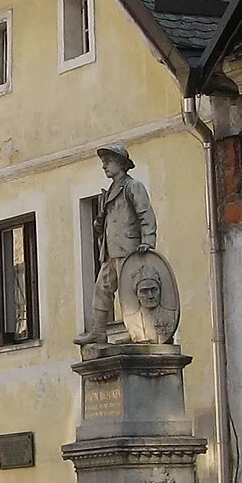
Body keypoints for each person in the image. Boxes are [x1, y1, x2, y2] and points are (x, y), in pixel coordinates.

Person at [76, 144, 158, 344]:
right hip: (111, 251)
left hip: (128, 249)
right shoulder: (110, 191)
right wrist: (98, 224)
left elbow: (145, 214)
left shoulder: (132, 186)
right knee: (102, 289)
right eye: (103, 163)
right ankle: (98, 331)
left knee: (128, 292)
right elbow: (107, 223)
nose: (104, 167)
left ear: (120, 164)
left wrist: (147, 241)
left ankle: (137, 332)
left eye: (108, 162)